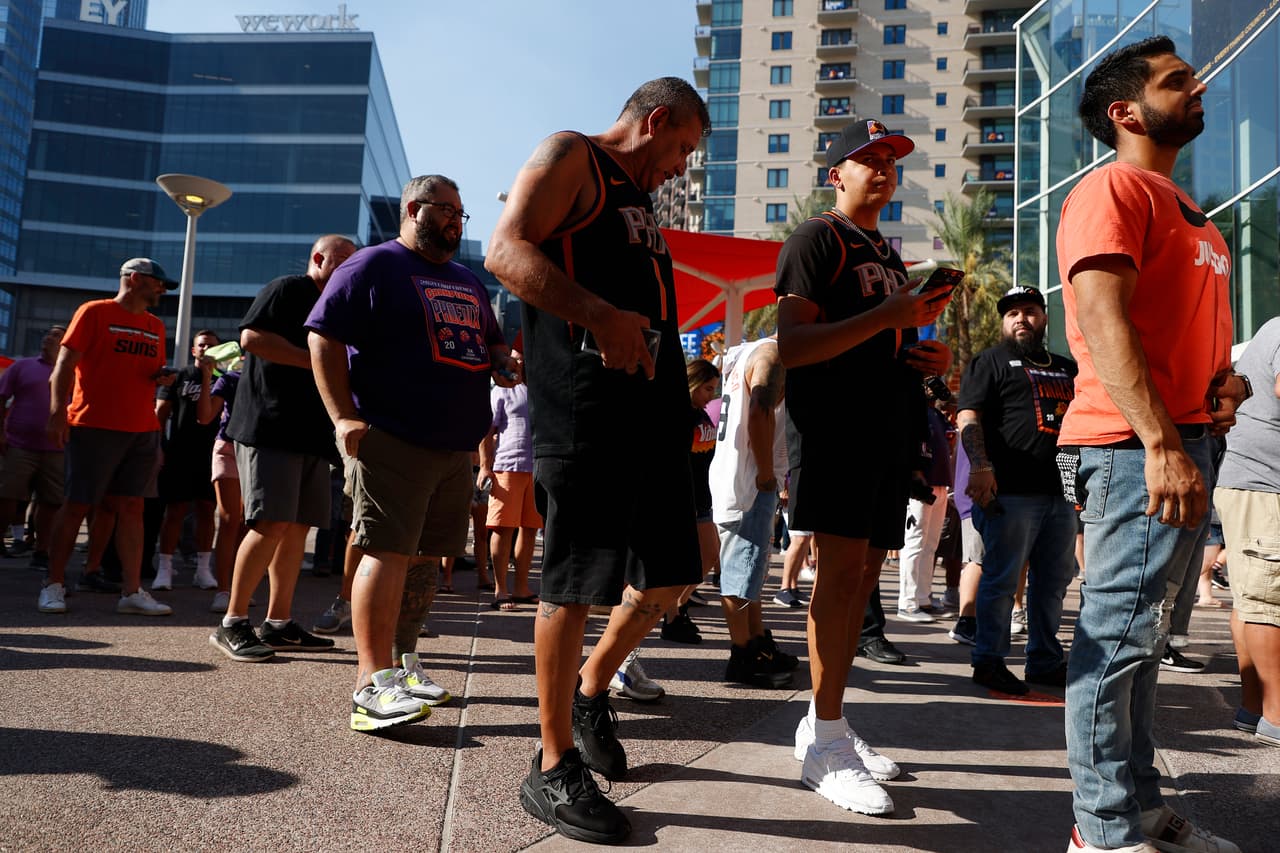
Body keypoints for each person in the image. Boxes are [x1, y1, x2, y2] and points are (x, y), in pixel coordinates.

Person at [485, 77, 709, 845]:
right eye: (681, 148)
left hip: (650, 419)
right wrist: (599, 315)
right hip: (581, 405)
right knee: (575, 582)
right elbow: (503, 250)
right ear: (655, 121)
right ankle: (551, 765)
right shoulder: (571, 155)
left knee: (673, 573)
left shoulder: (640, 203)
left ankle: (590, 687)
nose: (681, 167)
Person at [1058, 36, 1243, 853]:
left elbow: (1181, 337)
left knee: (1146, 641)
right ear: (1125, 112)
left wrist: (1222, 386)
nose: (1197, 87)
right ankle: (1099, 832)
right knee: (1118, 638)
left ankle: (1137, 810)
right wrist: (1162, 440)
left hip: (1181, 444)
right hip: (1133, 449)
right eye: (1177, 81)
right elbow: (1102, 322)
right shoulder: (1113, 188)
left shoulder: (1196, 216)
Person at [776, 119, 952, 817]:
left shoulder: (886, 250)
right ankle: (822, 735)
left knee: (863, 586)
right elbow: (791, 344)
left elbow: (887, 334)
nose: (882, 168)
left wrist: (927, 355)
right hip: (834, 431)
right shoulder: (815, 239)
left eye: (890, 160)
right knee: (840, 579)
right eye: (866, 159)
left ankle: (831, 723)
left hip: (887, 431)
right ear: (835, 175)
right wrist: (888, 316)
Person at [308, 174, 512, 731]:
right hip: (393, 435)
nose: (455, 221)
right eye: (448, 210)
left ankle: (403, 665)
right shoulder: (371, 265)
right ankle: (369, 686)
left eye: (461, 215)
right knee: (386, 552)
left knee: (426, 559)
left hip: (455, 445)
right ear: (414, 209)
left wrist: (500, 359)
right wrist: (343, 417)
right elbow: (321, 336)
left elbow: (492, 338)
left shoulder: (467, 279)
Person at [209, 234, 355, 662]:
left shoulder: (339, 305)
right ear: (318, 258)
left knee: (295, 529)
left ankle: (278, 622)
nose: (347, 266)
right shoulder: (289, 288)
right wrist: (318, 361)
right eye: (341, 258)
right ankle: (232, 621)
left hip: (310, 433)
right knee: (269, 522)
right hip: (269, 426)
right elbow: (251, 339)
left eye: (353, 261)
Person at [38, 258, 178, 616]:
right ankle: (54, 584)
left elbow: (145, 372)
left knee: (132, 508)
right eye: (158, 283)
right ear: (134, 279)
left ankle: (131, 591)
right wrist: (57, 414)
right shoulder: (93, 312)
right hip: (93, 424)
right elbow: (64, 366)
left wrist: (160, 377)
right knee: (77, 504)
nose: (162, 289)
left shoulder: (155, 326)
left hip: (142, 429)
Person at [957, 285, 1077, 696]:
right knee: (1002, 580)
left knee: (1053, 583)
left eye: (1029, 310)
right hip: (1011, 493)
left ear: (1044, 317)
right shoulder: (989, 362)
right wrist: (981, 467)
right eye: (1011, 313)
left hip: (1060, 493)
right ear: (1003, 322)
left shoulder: (1066, 367)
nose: (1020, 318)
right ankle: (988, 661)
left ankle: (1044, 661)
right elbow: (969, 414)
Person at [709, 337, 798, 688]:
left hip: (740, 477)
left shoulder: (748, 351)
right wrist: (764, 473)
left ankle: (756, 642)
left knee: (751, 571)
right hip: (747, 481)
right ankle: (743, 654)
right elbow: (761, 409)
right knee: (740, 574)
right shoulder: (773, 354)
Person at [1213, 315, 1280, 747]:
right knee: (1268, 601)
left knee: (1252, 597)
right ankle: (1276, 715)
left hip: (1250, 481)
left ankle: (1254, 708)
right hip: (1263, 482)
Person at [152, 330, 220, 592]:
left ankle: (203, 570)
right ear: (194, 350)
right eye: (201, 345)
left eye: (211, 346)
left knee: (206, 510)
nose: (206, 349)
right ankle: (165, 568)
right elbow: (160, 415)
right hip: (179, 453)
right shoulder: (177, 377)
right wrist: (158, 448)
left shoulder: (223, 379)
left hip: (211, 454)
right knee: (176, 511)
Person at [0, 325, 66, 572]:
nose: (49, 337)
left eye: (56, 336)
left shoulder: (73, 371)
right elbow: (1, 397)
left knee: (51, 501)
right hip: (18, 445)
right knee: (8, 496)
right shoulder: (22, 366)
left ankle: (41, 550)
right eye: (48, 334)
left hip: (57, 448)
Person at [477, 377, 542, 611]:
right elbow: (487, 430)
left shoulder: (543, 386)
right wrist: (485, 466)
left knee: (530, 529)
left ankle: (521, 588)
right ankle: (500, 589)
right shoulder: (502, 390)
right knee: (502, 528)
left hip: (538, 468)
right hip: (507, 467)